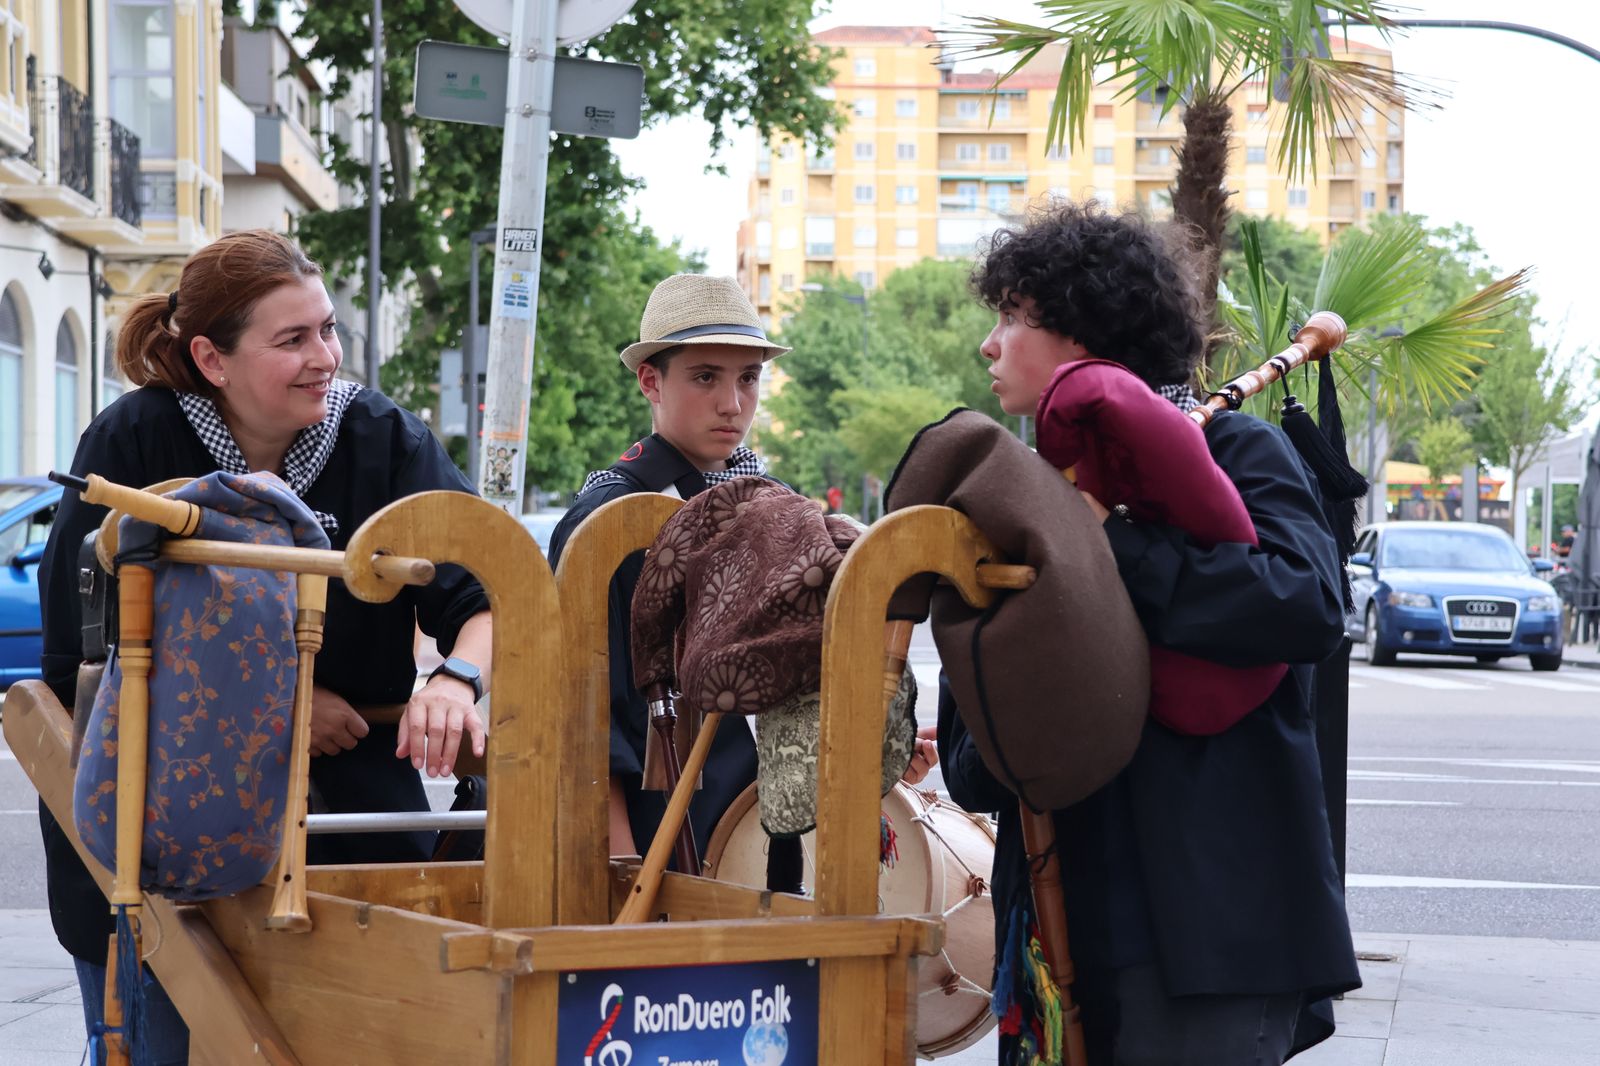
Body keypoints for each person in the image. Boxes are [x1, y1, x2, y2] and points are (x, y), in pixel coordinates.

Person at [36, 230, 493, 1062]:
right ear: (212, 359)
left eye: (327, 328)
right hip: (160, 828)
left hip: (349, 836)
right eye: (294, 340)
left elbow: (485, 591)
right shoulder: (131, 443)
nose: (327, 355)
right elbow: (83, 662)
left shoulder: (384, 439)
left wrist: (457, 680)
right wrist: (279, 703)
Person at [943, 201, 1359, 1064]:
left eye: (1012, 317)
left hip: (1210, 933)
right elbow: (976, 766)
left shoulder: (1240, 453)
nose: (989, 345)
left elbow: (1308, 605)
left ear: (1081, 334)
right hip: (1058, 932)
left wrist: (1115, 541)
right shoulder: (1017, 497)